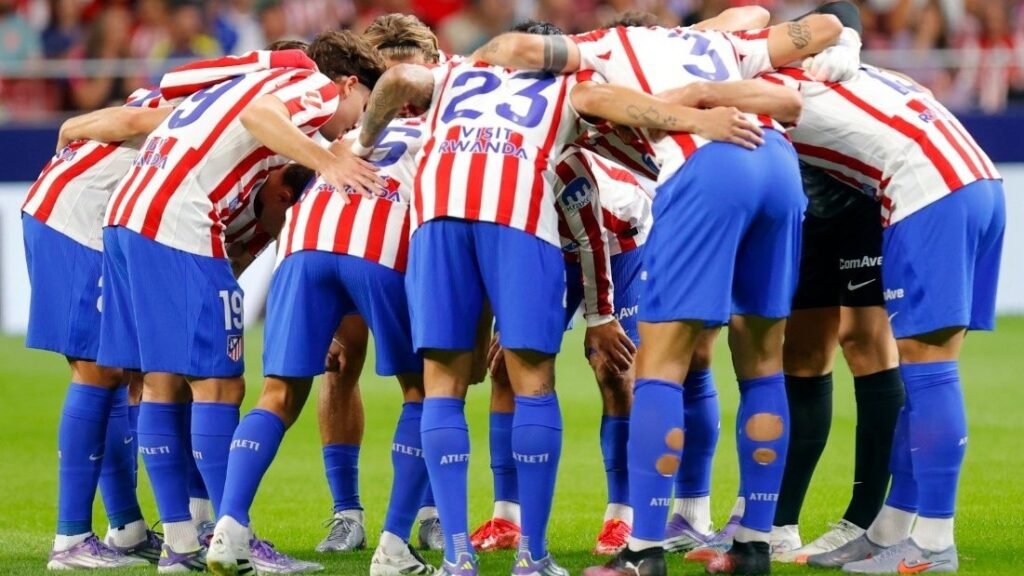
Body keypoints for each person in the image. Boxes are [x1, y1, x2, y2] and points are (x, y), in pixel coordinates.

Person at [352, 16, 765, 576]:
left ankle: (456, 556)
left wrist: (363, 143)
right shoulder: (571, 85)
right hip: (519, 215)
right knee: (532, 380)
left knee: (443, 384)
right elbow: (628, 105)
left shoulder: (457, 69)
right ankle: (532, 555)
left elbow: (400, 78)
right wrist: (698, 118)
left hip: (439, 216)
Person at [470, 10, 849, 575]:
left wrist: (476, 64)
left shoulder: (603, 45)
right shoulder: (719, 42)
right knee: (763, 364)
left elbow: (520, 52)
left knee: (660, 367)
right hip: (779, 168)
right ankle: (753, 545)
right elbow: (825, 26)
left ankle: (641, 551)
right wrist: (705, 80)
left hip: (707, 165)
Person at [97, 34, 381, 573]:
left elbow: (191, 92)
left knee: (160, 379)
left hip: (130, 208)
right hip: (179, 214)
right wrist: (328, 161)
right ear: (349, 84)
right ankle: (233, 536)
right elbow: (259, 115)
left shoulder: (252, 75)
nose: (356, 125)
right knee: (220, 383)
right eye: (364, 106)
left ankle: (182, 544)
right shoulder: (315, 86)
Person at [760, 63, 1003, 574]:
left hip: (927, 192)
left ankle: (934, 543)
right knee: (922, 370)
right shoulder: (855, 71)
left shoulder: (771, 82)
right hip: (973, 179)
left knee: (930, 368)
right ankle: (887, 531)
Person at [312, 14, 447, 556]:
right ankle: (346, 513)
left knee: (433, 382)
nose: (400, 97)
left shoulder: (452, 106)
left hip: (422, 254)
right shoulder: (345, 123)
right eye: (388, 82)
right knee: (340, 364)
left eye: (407, 80)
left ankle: (431, 510)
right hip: (356, 244)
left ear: (431, 67)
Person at [25, 92, 171, 571]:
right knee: (97, 370)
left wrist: (71, 127)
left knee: (118, 370)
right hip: (76, 220)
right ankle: (70, 539)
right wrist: (71, 127)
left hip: (86, 217)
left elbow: (120, 116)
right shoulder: (216, 104)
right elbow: (132, 119)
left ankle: (127, 528)